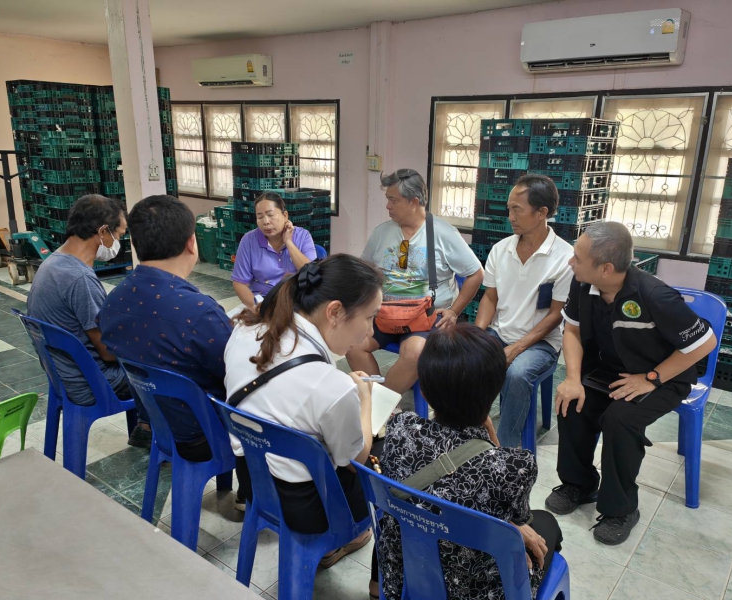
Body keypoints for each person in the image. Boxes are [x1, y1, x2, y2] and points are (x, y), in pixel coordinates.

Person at [547, 222, 717, 545]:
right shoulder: (582, 284)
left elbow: (705, 343)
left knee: (620, 419)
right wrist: (572, 379)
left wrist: (652, 378)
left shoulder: (654, 295)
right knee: (571, 401)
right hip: (609, 371)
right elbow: (572, 330)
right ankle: (578, 484)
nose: (571, 262)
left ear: (606, 269)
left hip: (663, 377)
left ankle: (621, 509)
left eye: (578, 258)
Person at [377, 324, 563, 600]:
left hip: (405, 577)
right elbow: (516, 517)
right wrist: (491, 438)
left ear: (424, 391)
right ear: (495, 392)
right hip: (475, 592)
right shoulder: (515, 466)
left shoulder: (400, 428)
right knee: (547, 524)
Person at [224, 254, 383, 566]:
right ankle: (351, 549)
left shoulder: (244, 329)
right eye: (370, 317)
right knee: (387, 452)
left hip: (253, 481)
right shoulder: (333, 387)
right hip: (310, 507)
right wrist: (363, 401)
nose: (370, 332)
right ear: (335, 312)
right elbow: (355, 461)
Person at [98, 195, 234, 464]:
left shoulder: (113, 301)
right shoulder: (200, 312)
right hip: (206, 435)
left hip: (159, 425)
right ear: (191, 243)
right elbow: (236, 374)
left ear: (135, 244)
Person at [26, 194, 150, 448]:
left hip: (63, 375)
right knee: (165, 367)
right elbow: (108, 352)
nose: (118, 243)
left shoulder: (52, 263)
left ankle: (145, 425)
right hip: (91, 381)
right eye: (119, 235)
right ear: (103, 231)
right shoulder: (79, 278)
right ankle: (156, 435)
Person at [346, 169, 484, 394]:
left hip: (427, 317)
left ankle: (382, 404)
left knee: (414, 353)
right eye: (388, 199)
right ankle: (376, 399)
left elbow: (476, 273)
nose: (388, 206)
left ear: (414, 202)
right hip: (386, 313)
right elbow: (365, 269)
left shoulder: (443, 233)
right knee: (352, 344)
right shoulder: (382, 232)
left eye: (393, 200)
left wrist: (454, 311)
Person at [475, 175, 573, 448]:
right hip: (500, 332)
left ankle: (505, 449)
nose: (510, 216)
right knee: (465, 361)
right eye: (509, 209)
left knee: (517, 374)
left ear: (542, 213)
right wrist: (477, 336)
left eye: (517, 209)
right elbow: (490, 298)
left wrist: (516, 348)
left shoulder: (564, 258)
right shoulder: (500, 250)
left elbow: (555, 315)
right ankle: (468, 433)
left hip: (542, 342)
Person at [231, 192, 317, 308]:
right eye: (260, 217)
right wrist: (258, 309)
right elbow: (239, 283)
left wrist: (289, 242)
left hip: (296, 301)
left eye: (270, 215)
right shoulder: (249, 241)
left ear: (285, 215)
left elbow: (311, 274)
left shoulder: (303, 236)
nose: (266, 221)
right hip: (261, 301)